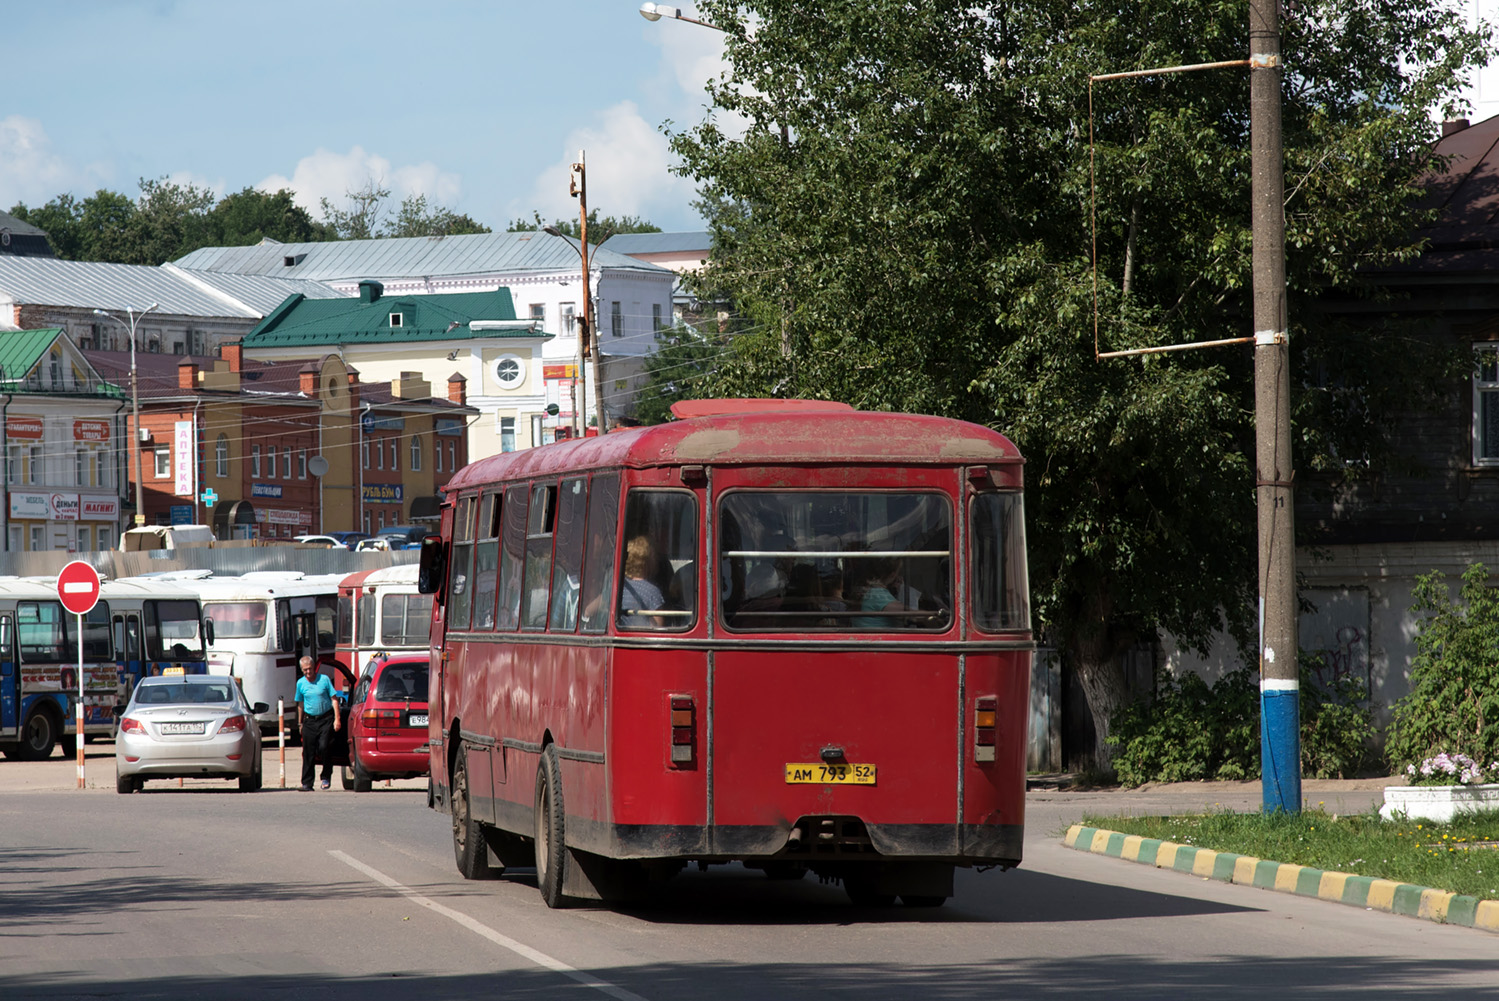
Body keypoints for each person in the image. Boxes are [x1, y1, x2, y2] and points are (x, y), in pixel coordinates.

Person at [295, 655, 341, 791]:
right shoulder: (301, 683)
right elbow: (300, 704)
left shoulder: (324, 680)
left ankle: (326, 776)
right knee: (308, 751)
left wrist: (337, 719)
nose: (308, 672)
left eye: (309, 669)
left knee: (324, 747)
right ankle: (307, 783)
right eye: (305, 670)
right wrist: (300, 723)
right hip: (309, 721)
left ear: (314, 667)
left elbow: (334, 699)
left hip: (326, 719)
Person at [618, 535, 666, 625]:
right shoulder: (652, 592)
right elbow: (658, 628)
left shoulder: (620, 587)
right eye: (654, 557)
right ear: (646, 562)